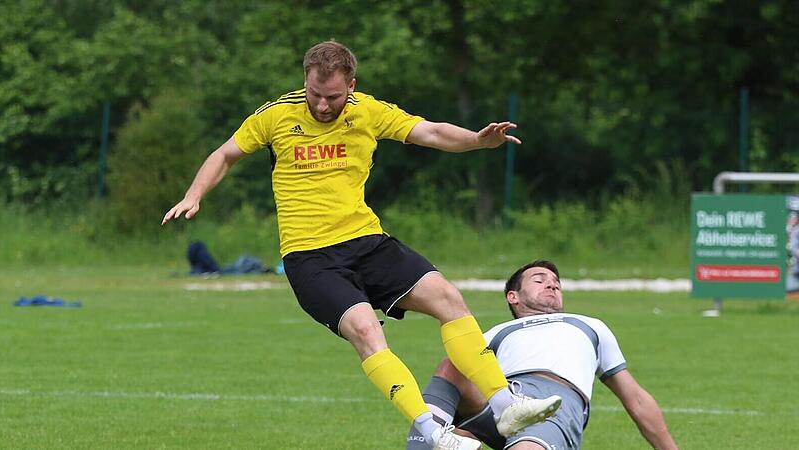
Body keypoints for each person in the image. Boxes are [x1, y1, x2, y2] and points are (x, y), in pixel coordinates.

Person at [161, 41, 560, 450]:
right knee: (366, 331)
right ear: (305, 80)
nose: (320, 105)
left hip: (367, 242)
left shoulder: (368, 111)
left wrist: (478, 140)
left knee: (447, 297)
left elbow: (431, 132)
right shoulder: (276, 115)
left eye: (332, 96)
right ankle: (433, 432)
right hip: (309, 258)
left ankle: (505, 403)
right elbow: (225, 154)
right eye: (314, 93)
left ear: (351, 85)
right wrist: (195, 194)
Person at [406, 260, 679, 450]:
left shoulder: (588, 325)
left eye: (556, 283)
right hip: (504, 401)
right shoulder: (497, 332)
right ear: (513, 296)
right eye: (540, 280)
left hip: (554, 404)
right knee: (452, 366)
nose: (552, 285)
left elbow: (637, 399)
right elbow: (453, 397)